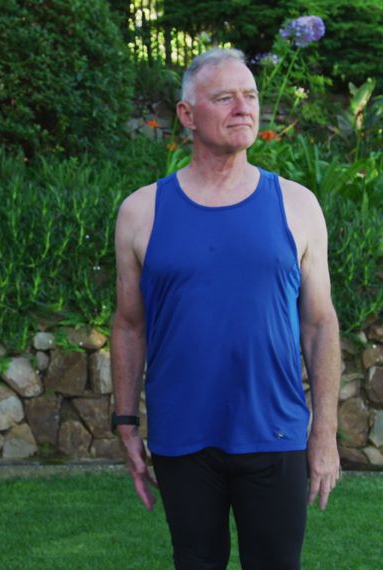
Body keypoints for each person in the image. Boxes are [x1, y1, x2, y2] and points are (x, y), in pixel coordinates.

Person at [111, 48, 341, 569]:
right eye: (225, 97)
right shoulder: (141, 211)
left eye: (251, 96)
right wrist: (125, 421)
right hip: (182, 436)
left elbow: (320, 324)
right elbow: (128, 324)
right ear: (187, 115)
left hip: (274, 430)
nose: (244, 108)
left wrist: (324, 431)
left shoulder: (297, 204)